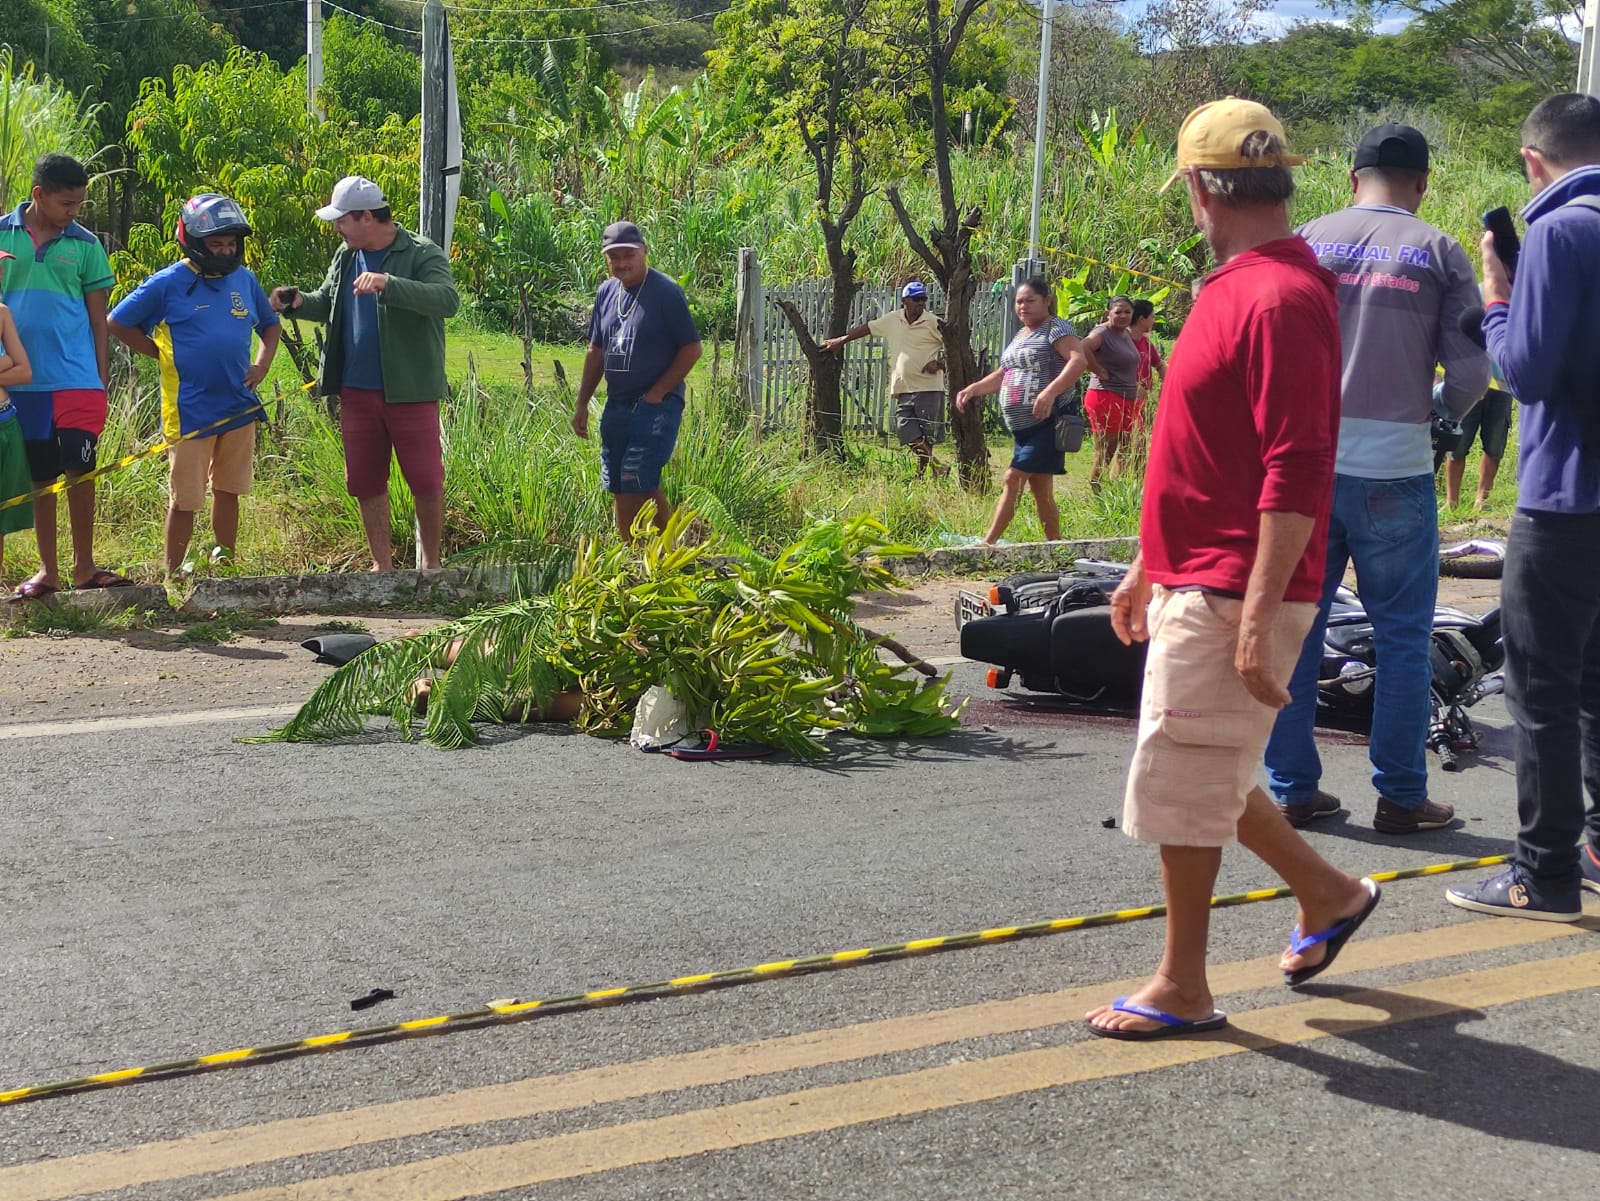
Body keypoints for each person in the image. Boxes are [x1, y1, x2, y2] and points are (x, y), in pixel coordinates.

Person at [1086, 98, 1377, 1040]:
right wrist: (1145, 563)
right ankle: (1329, 892)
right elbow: (1204, 454)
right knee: (1211, 766)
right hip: (1197, 570)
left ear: (1206, 186)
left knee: (1182, 771)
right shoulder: (1238, 286)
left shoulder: (1282, 296)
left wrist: (1256, 615)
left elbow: (1298, 467)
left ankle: (1184, 983)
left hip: (1232, 585)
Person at [1264, 123, 1490, 836]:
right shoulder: (1438, 251)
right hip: (1395, 471)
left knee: (1295, 629)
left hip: (1305, 470)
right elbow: (1474, 372)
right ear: (1422, 182)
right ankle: (1399, 795)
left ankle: (1293, 790)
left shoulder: (1305, 242)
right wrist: (1433, 416)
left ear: (1351, 176)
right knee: (1400, 637)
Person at [1446, 93, 1600, 921]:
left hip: (1566, 497)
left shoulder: (1564, 232)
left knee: (1539, 690)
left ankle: (1541, 876)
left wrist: (1499, 295)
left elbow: (1528, 373)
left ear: (1533, 162)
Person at [269, 176, 458, 572]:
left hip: (410, 388)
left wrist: (390, 284)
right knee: (366, 481)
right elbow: (328, 302)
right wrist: (297, 303)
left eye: (343, 220)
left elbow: (446, 300)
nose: (337, 227)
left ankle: (432, 567)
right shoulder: (346, 255)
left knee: (425, 480)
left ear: (367, 216)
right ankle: (381, 568)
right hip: (356, 389)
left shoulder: (421, 252)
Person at [108, 194, 281, 574]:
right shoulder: (168, 282)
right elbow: (117, 322)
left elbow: (270, 325)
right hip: (190, 410)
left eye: (231, 243)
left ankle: (225, 568)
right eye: (216, 244)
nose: (225, 251)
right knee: (185, 499)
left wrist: (261, 365)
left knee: (229, 491)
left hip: (239, 406)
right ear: (194, 242)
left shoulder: (245, 280)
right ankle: (171, 577)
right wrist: (159, 353)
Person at [0, 154, 127, 600]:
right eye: (66, 203)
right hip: (19, 381)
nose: (74, 212)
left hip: (77, 379)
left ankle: (85, 566)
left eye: (79, 204)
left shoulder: (86, 244)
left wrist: (101, 379)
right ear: (39, 195)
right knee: (41, 477)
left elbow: (99, 320)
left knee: (81, 470)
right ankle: (48, 571)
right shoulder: (1, 235)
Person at [572, 220, 702, 541]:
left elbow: (692, 349)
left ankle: (666, 554)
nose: (621, 263)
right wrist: (582, 404)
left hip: (656, 404)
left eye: (627, 254)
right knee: (617, 479)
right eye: (613, 257)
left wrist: (658, 393)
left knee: (640, 477)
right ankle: (629, 554)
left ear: (644, 251)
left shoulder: (665, 292)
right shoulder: (606, 293)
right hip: (617, 402)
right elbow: (596, 350)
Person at [954, 277, 1090, 545]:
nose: (1023, 306)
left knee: (1012, 477)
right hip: (1024, 428)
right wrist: (974, 389)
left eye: (1030, 300)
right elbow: (1006, 372)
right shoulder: (1021, 334)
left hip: (1049, 421)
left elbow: (1079, 360)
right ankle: (1055, 545)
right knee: (1041, 488)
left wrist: (1050, 392)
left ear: (1047, 301)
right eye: (1019, 301)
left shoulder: (1056, 328)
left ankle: (988, 544)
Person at [821, 281, 948, 478]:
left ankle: (922, 475)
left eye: (923, 299)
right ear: (905, 300)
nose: (921, 303)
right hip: (903, 387)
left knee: (926, 435)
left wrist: (939, 364)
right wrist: (842, 340)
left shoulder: (934, 322)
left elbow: (956, 348)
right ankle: (937, 467)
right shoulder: (893, 320)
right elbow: (868, 328)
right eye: (916, 299)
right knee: (906, 429)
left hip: (929, 387)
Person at [1079, 295, 1142, 490]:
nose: (1123, 316)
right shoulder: (1102, 332)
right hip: (1105, 395)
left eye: (1127, 312)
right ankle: (1096, 485)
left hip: (1125, 398)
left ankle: (1117, 489)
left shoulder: (1124, 334)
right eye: (1118, 312)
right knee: (1107, 448)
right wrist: (1098, 370)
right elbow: (1083, 346)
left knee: (1127, 444)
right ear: (1108, 313)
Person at [0, 250, 36, 586]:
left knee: (1, 514)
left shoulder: (2, 313)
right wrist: (5, 362)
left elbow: (24, 369)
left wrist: (10, 362)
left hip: (5, 420)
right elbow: (12, 361)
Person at [1444, 369, 1513, 510]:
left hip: (1502, 385)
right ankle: (1451, 502)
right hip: (1466, 383)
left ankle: (1482, 498)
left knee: (1495, 443)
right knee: (1457, 444)